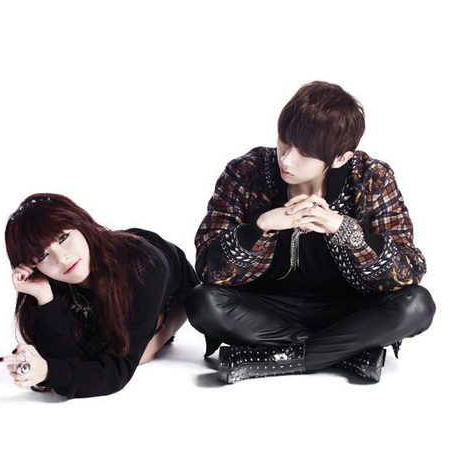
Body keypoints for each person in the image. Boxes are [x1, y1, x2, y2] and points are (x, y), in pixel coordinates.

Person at [185, 80, 436, 384]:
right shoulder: (246, 171)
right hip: (266, 309)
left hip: (347, 310)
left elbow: (408, 271)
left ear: (341, 157)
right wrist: (261, 226)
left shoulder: (371, 178)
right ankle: (347, 353)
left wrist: (345, 231)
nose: (286, 159)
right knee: (202, 301)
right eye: (284, 141)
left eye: (304, 152)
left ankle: (276, 359)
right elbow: (209, 271)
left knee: (417, 305)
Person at [0, 193, 199, 399]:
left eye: (63, 238)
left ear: (81, 225)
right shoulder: (52, 280)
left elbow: (117, 371)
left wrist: (49, 372)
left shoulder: (145, 269)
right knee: (95, 344)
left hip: (173, 288)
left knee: (138, 354)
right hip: (108, 265)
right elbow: (68, 358)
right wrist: (44, 298)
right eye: (42, 256)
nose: (62, 258)